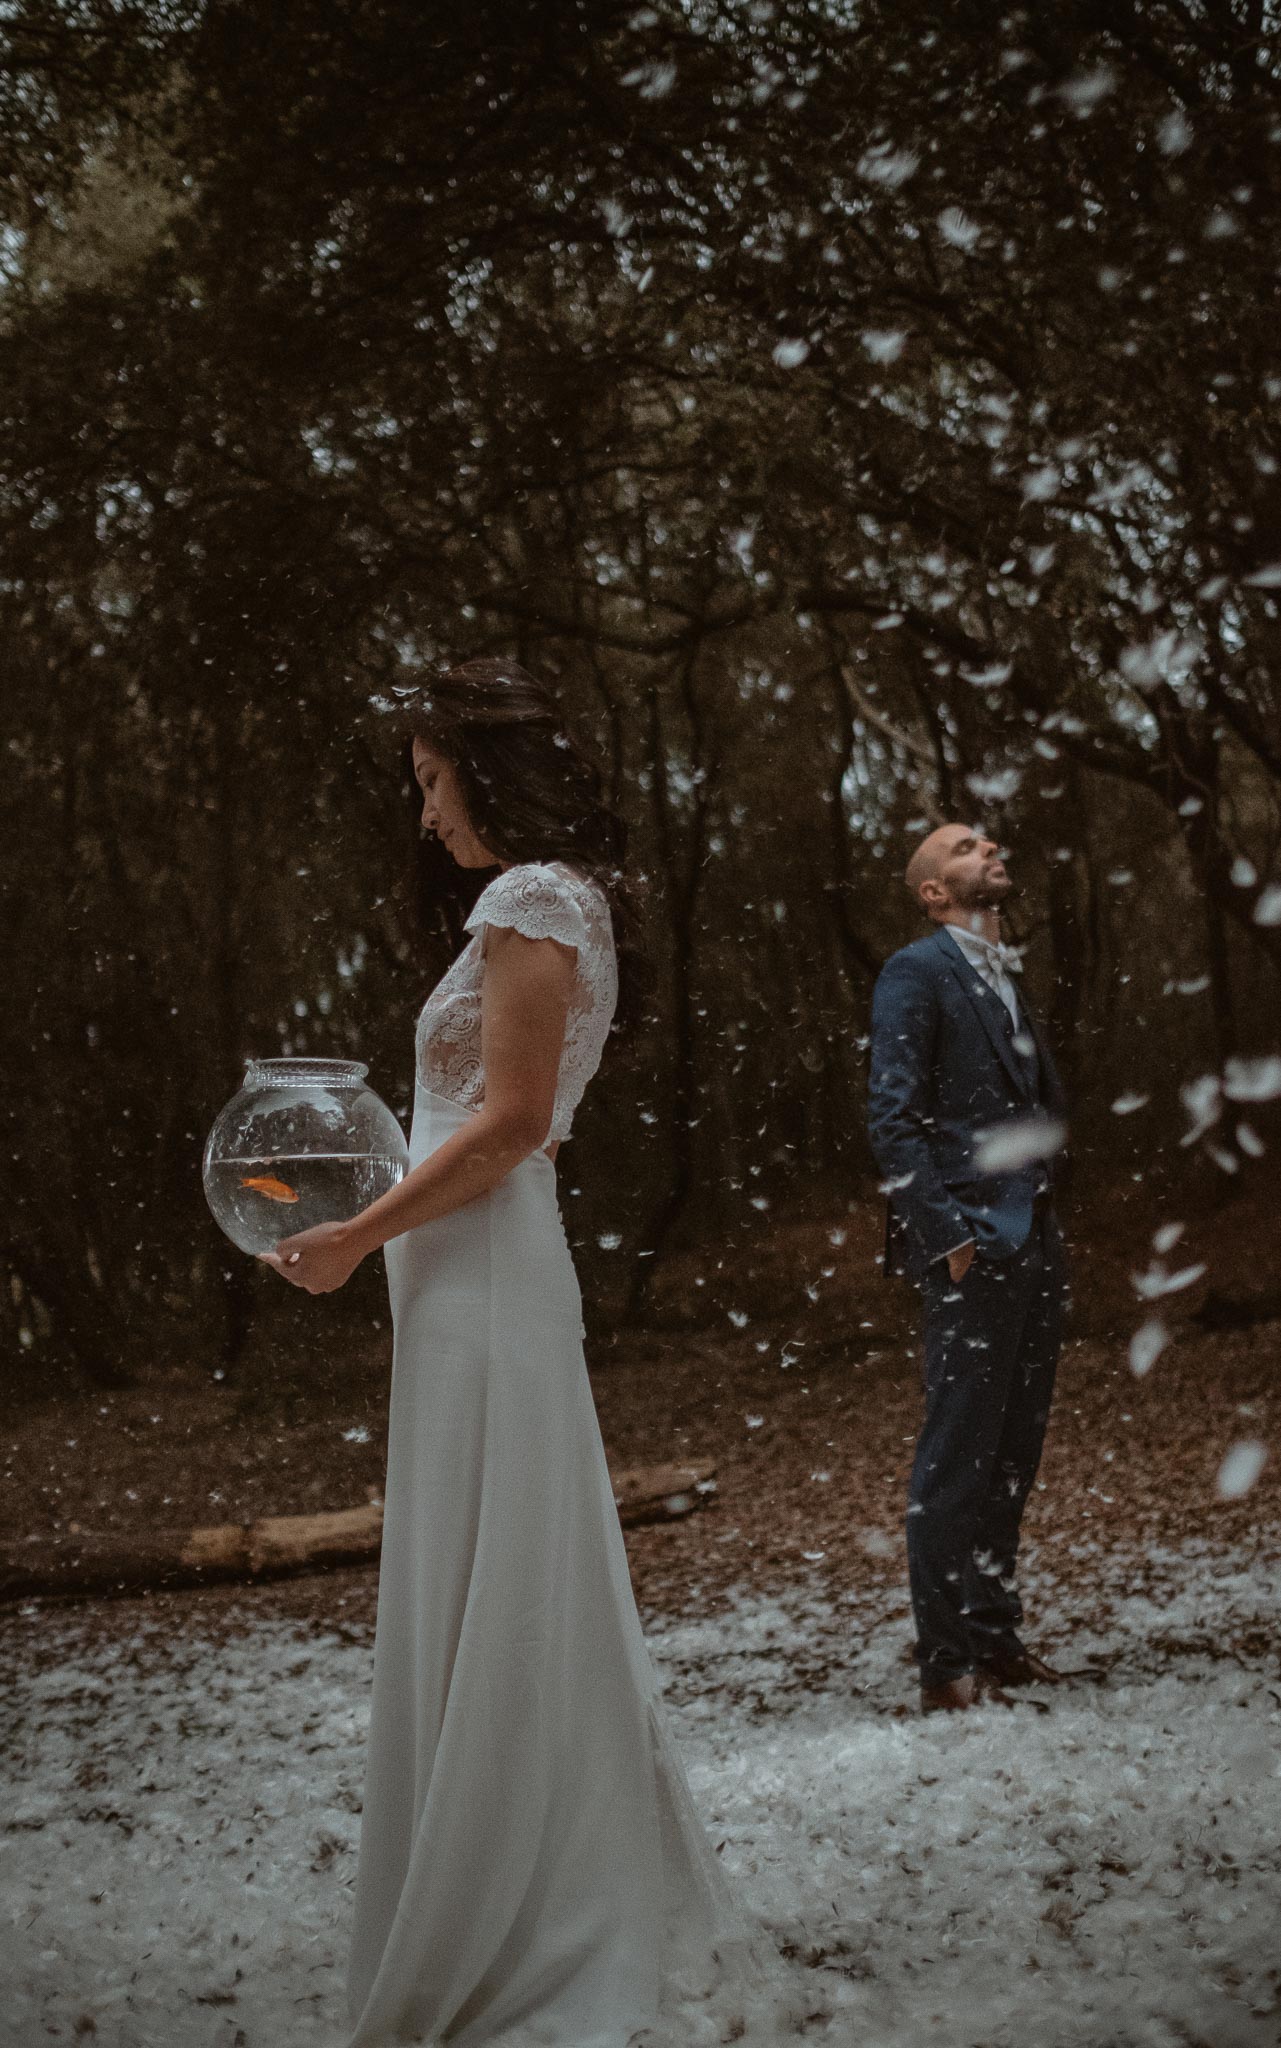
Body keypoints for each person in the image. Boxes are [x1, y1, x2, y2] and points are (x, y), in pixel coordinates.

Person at [261, 659, 735, 2046]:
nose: (422, 813)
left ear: (488, 767)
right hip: (463, 1271)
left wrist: (357, 1239)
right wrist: (356, 1215)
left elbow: (515, 1122)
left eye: (429, 779)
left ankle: (528, 1908)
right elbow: (473, 1119)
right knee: (491, 1559)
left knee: (502, 1561)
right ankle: (515, 1869)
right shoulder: (547, 903)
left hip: (485, 1271)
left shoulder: (531, 900)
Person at [867, 823, 1069, 1716]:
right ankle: (945, 1667)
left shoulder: (1005, 977)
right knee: (956, 1459)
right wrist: (949, 1236)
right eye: (962, 847)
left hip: (1036, 1242)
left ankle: (995, 1637)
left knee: (1012, 1455)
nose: (989, 848)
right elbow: (892, 1119)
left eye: (990, 841)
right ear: (932, 893)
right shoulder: (916, 972)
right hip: (972, 1248)